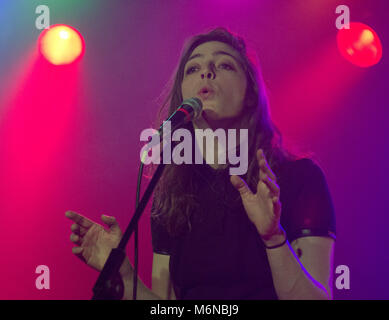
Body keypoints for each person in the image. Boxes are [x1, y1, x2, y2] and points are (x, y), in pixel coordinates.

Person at [66, 27, 336, 300]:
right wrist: (124, 278)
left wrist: (273, 238)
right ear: (183, 95)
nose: (206, 72)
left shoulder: (298, 178)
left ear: (251, 92)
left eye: (224, 65)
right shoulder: (171, 190)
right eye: (192, 69)